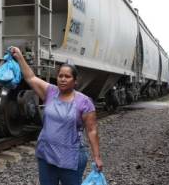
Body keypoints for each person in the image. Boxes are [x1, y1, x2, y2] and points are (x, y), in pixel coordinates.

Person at [10, 47, 103, 185]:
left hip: (70, 158)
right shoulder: (50, 92)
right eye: (60, 76)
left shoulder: (84, 102)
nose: (63, 79)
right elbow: (30, 77)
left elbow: (92, 130)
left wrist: (97, 157)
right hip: (46, 155)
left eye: (67, 77)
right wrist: (20, 58)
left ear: (75, 81)